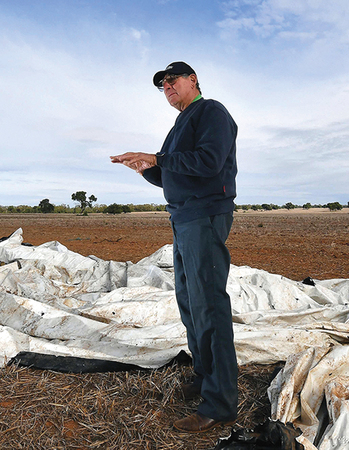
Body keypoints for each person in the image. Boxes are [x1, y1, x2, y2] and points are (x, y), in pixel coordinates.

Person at [110, 61, 239, 433]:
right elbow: (170, 172)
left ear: (192, 80)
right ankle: (204, 377)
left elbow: (209, 162)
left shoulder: (211, 112)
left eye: (172, 79)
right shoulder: (179, 124)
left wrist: (158, 158)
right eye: (162, 84)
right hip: (183, 217)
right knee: (189, 302)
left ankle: (220, 404)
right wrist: (146, 168)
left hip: (204, 214)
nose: (166, 86)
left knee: (209, 305)